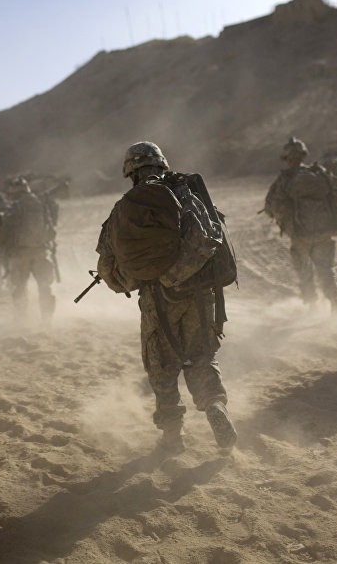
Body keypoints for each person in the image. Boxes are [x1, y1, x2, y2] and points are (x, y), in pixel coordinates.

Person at [95, 141, 237, 453]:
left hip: (158, 298)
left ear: (131, 171)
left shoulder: (125, 208)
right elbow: (212, 237)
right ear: (162, 164)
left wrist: (129, 281)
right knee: (201, 355)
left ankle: (173, 436)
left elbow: (109, 263)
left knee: (161, 365)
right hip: (201, 292)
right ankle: (214, 403)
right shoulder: (188, 193)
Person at [263, 136, 337, 314]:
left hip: (300, 234)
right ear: (303, 155)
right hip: (324, 231)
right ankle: (335, 300)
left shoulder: (284, 179)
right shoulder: (320, 172)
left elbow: (271, 206)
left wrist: (285, 221)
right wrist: (333, 220)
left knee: (304, 272)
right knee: (326, 270)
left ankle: (312, 307)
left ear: (286, 158)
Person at [0, 177, 56, 324]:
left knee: (19, 287)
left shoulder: (15, 207)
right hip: (41, 252)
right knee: (44, 287)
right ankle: (47, 320)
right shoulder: (41, 204)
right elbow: (51, 230)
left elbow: (5, 230)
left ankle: (21, 320)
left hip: (20, 254)